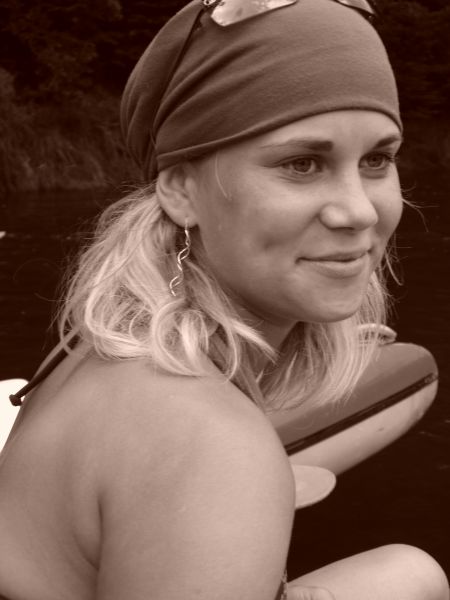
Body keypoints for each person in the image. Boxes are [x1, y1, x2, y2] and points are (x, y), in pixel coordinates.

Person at [0, 0, 448, 599]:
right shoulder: (212, 446)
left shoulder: (100, 343)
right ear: (181, 190)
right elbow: (201, 453)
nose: (360, 211)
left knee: (408, 572)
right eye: (302, 163)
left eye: (377, 160)